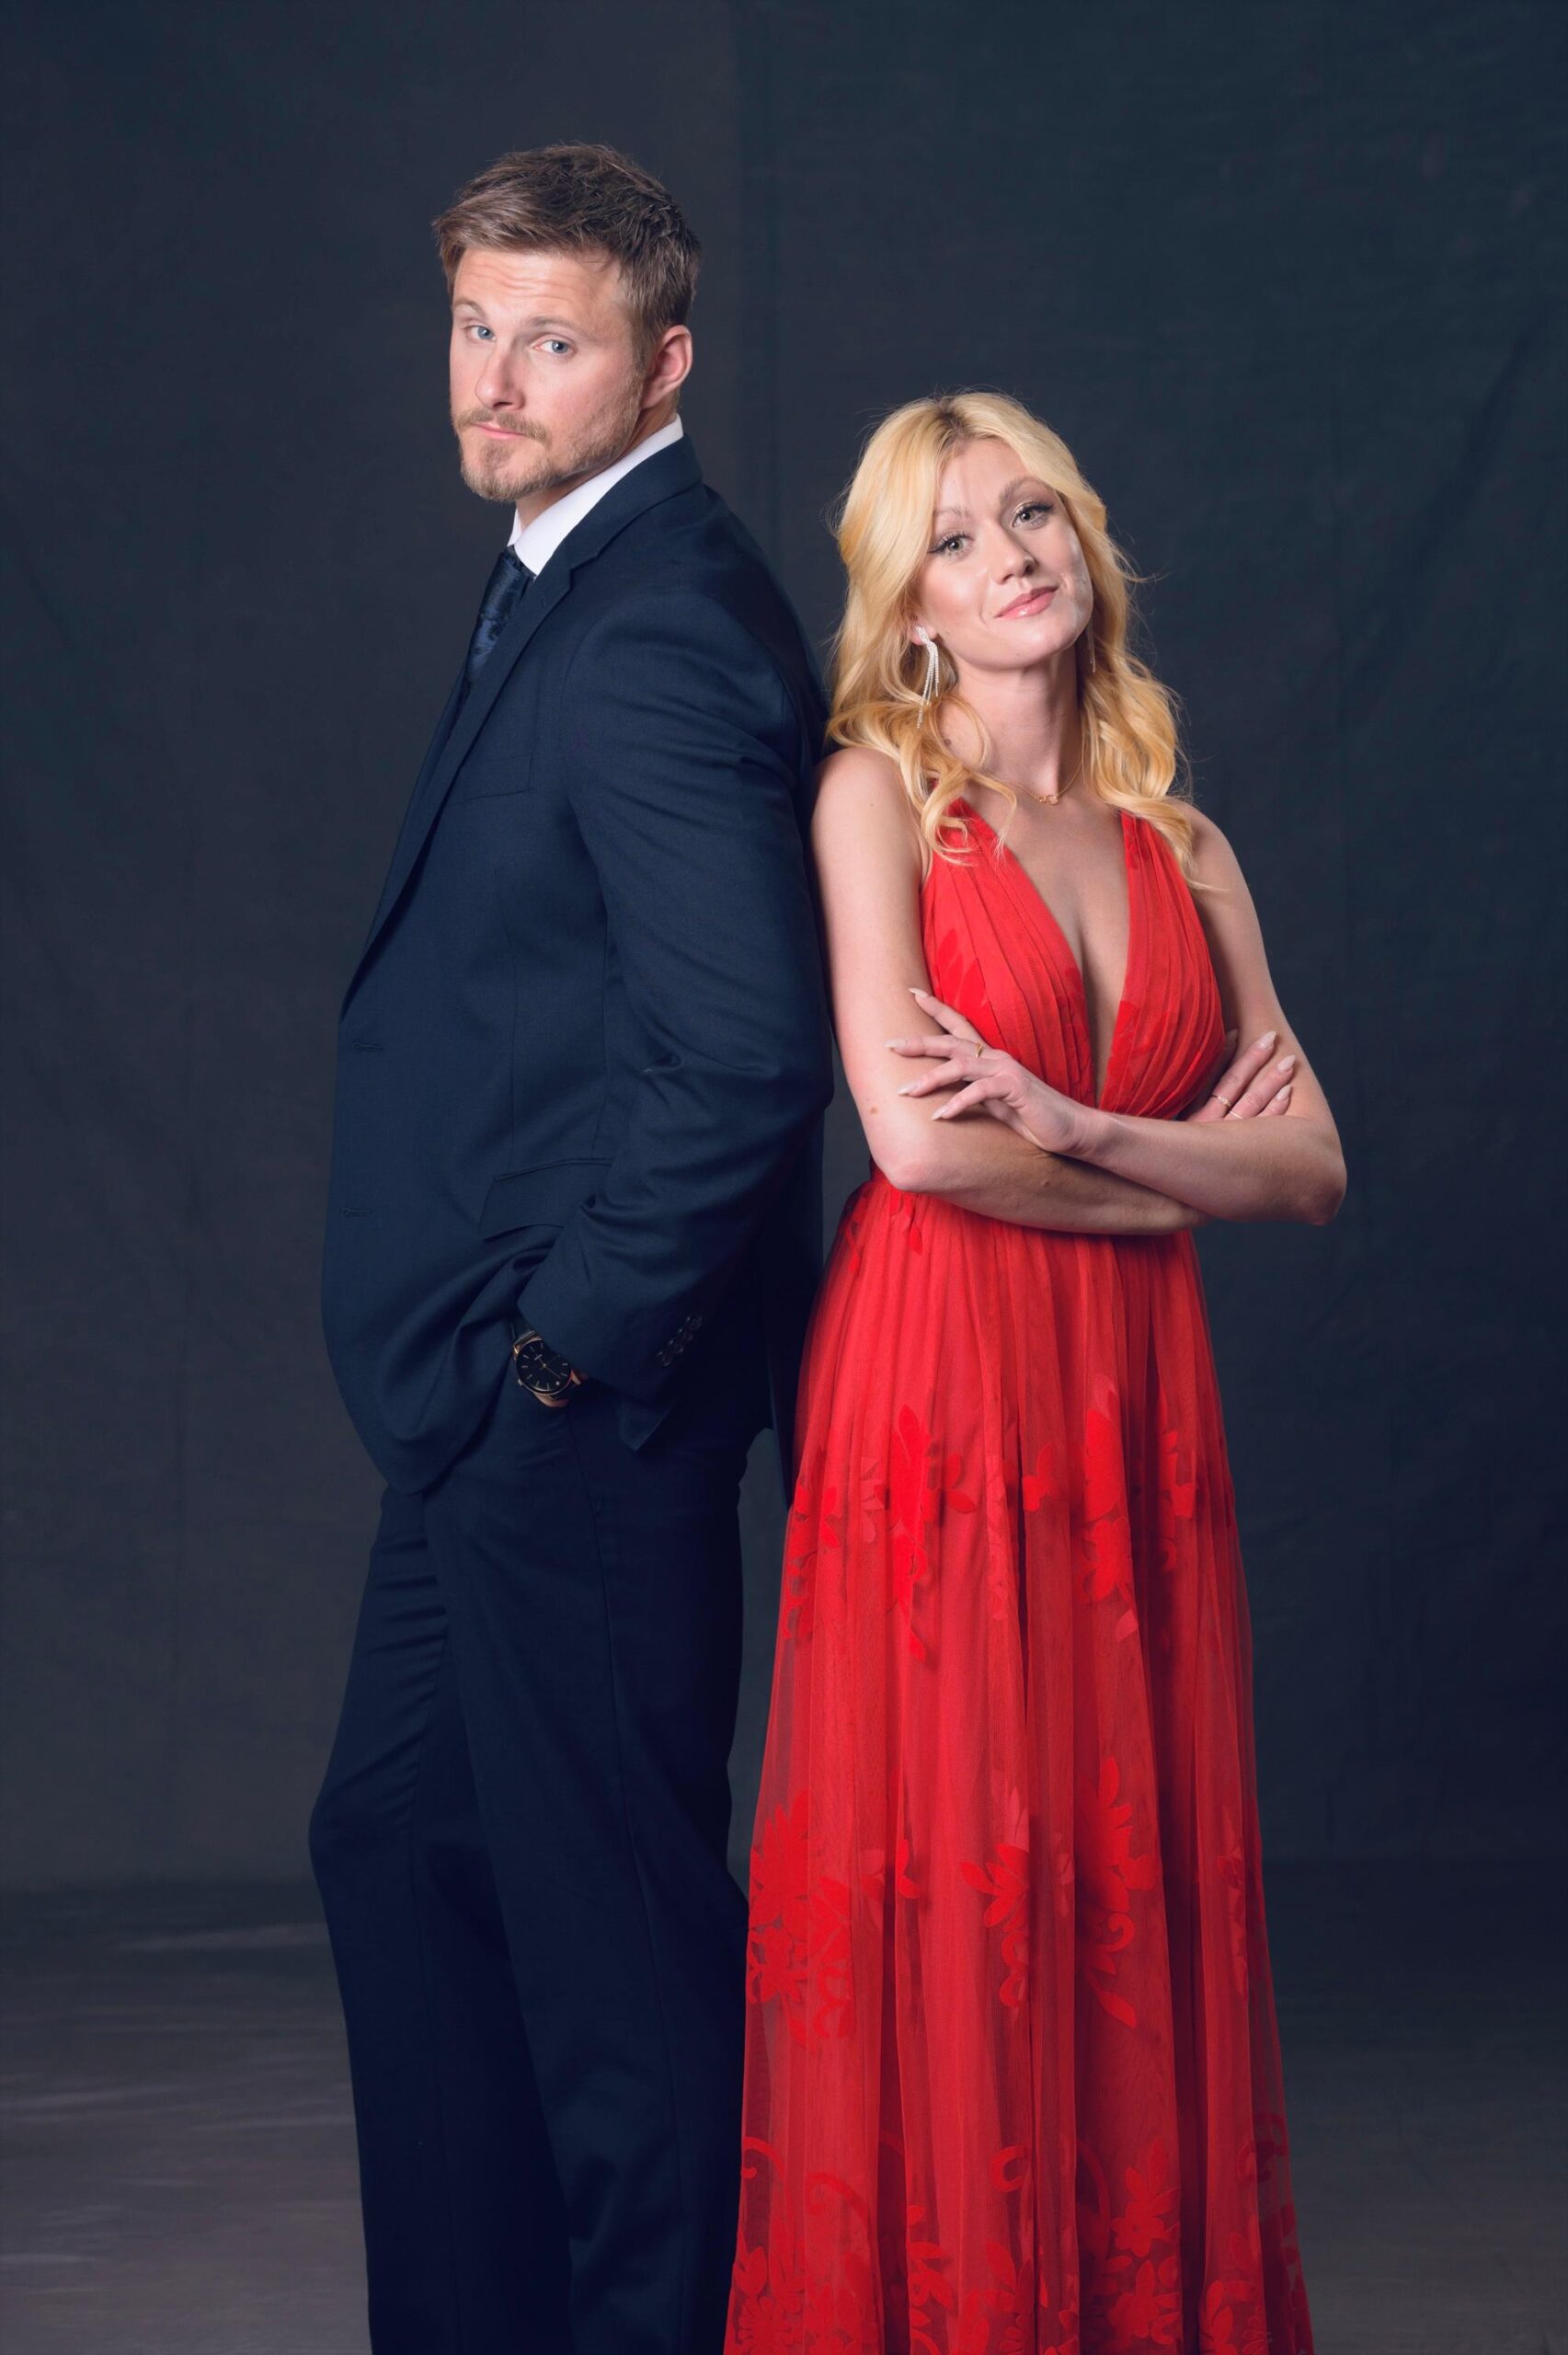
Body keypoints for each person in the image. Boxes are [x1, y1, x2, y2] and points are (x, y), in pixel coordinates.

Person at [726, 393, 1339, 2353]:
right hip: (941, 1368)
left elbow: (1309, 1165)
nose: (1010, 558)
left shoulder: (1186, 842)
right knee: (958, 1844)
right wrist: (1176, 1179)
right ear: (905, 603)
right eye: (957, 536)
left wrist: (1082, 1127)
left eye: (1034, 514)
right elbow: (916, 1147)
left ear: (1084, 540)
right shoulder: (872, 803)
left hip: (1130, 1388)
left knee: (1120, 1849)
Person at [309, 143, 833, 2355]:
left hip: (574, 1407)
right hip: (482, 1403)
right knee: (397, 1847)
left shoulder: (657, 623)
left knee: (611, 1951)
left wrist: (566, 1350)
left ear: (662, 361)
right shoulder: (559, 574)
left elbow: (747, 1051)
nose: (494, 379)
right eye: (472, 328)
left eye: (551, 340)